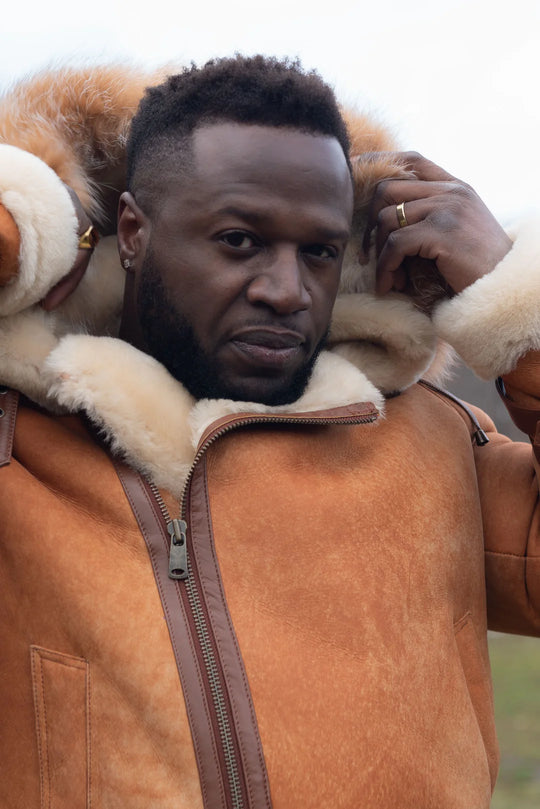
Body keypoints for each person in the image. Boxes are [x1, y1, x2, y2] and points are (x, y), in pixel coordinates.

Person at [1, 54, 539, 809]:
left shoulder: (431, 441)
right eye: (239, 241)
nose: (286, 291)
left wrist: (515, 309)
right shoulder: (17, 451)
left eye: (317, 250)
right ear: (131, 231)